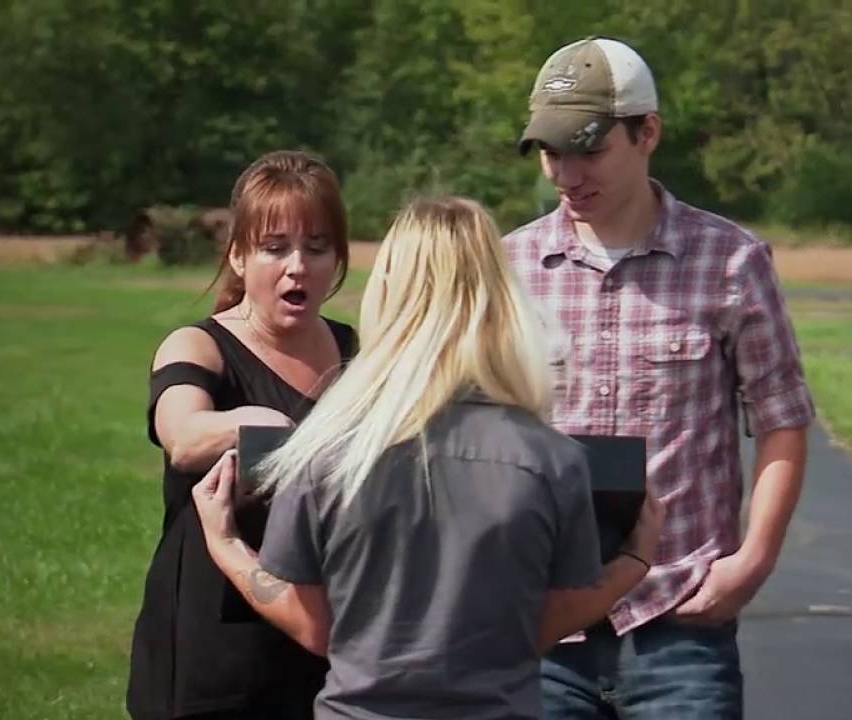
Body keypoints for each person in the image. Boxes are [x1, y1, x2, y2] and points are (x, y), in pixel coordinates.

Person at [189, 196, 666, 720]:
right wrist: (633, 561)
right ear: (500, 296)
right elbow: (538, 626)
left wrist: (227, 545)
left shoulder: (326, 449)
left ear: (389, 294)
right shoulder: (552, 459)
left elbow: (320, 627)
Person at [506, 36, 815, 718]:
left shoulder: (731, 261)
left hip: (681, 620)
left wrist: (751, 563)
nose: (566, 173)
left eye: (589, 149)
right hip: (545, 623)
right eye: (552, 151)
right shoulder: (508, 268)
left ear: (648, 133)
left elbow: (782, 422)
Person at [127, 150, 357, 720]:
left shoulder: (357, 355)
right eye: (275, 248)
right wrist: (258, 425)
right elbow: (182, 435)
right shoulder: (198, 345)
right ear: (237, 255)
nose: (297, 266)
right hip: (215, 653)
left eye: (317, 247)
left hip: (322, 635)